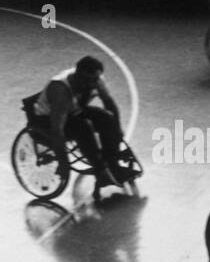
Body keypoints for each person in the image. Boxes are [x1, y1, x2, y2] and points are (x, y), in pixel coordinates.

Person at [25, 55, 131, 201]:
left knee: (107, 117)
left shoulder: (95, 81)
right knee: (83, 128)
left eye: (96, 79)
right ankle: (100, 170)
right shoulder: (60, 91)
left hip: (74, 111)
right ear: (78, 75)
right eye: (90, 80)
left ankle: (111, 161)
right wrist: (63, 163)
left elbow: (110, 104)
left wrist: (117, 132)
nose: (94, 84)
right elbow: (57, 131)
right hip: (46, 119)